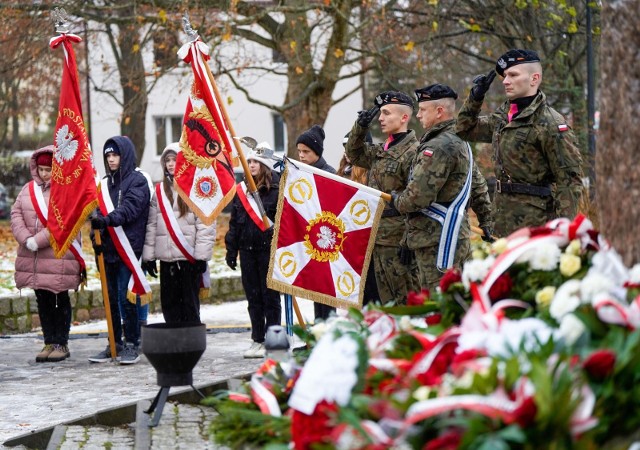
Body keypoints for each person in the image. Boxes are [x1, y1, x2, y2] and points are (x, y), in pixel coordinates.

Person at [456, 49, 585, 236]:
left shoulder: (550, 122)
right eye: (505, 76)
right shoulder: (503, 117)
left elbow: (570, 181)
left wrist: (563, 231)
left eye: (513, 75)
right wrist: (475, 98)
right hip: (501, 219)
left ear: (534, 79)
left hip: (535, 224)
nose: (505, 81)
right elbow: (464, 129)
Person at [390, 84, 494, 291]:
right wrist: (487, 222)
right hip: (459, 235)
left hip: (437, 242)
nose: (418, 115)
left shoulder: (438, 146)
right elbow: (478, 186)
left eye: (423, 109)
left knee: (440, 303)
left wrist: (397, 201)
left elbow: (417, 198)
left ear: (439, 112)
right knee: (463, 299)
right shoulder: (460, 141)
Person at [344, 90, 420, 305]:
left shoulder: (414, 152)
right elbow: (354, 153)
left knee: (406, 301)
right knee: (385, 302)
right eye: (380, 113)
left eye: (386, 113)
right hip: (378, 236)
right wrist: (360, 126)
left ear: (404, 117)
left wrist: (409, 240)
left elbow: (416, 200)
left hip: (399, 238)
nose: (381, 118)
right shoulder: (380, 150)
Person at [10, 146, 82, 362]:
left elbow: (64, 223)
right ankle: (49, 341)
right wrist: (25, 239)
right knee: (42, 299)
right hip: (33, 258)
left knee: (59, 299)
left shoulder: (66, 191)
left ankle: (62, 342)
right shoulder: (27, 190)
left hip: (57, 256)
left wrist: (37, 240)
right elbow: (16, 214)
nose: (44, 173)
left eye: (48, 169)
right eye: (41, 169)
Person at [88, 136, 150, 365]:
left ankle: (133, 343)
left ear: (124, 156)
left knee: (126, 298)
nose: (111, 159)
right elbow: (95, 217)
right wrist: (95, 234)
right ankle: (114, 342)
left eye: (115, 155)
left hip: (128, 249)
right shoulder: (103, 184)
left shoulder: (138, 181)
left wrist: (106, 221)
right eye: (108, 156)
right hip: (108, 250)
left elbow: (130, 209)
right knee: (110, 300)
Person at [142, 143, 215, 324]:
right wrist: (149, 257)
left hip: (189, 260)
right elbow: (152, 224)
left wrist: (201, 257)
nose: (171, 164)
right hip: (167, 261)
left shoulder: (196, 190)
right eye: (167, 160)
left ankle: (190, 345)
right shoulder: (158, 192)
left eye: (175, 160)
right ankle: (175, 345)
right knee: (170, 305)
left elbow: (205, 224)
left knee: (190, 307)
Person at [225, 149, 281, 358]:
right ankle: (257, 339)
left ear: (264, 164)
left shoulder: (276, 189)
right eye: (248, 161)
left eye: (255, 161)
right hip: (247, 251)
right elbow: (234, 223)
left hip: (268, 251)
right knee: (253, 298)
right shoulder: (242, 191)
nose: (252, 165)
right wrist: (231, 249)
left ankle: (275, 341)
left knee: (270, 298)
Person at [295, 125, 337, 320]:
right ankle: (318, 332)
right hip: (308, 237)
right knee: (315, 289)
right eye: (299, 151)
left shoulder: (329, 174)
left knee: (326, 290)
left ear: (317, 153)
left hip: (326, 239)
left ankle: (328, 332)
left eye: (306, 151)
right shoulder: (299, 173)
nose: (301, 156)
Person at [338, 133, 379, 305]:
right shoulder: (341, 173)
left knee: (371, 289)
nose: (347, 153)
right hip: (349, 238)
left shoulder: (373, 172)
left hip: (369, 238)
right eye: (345, 148)